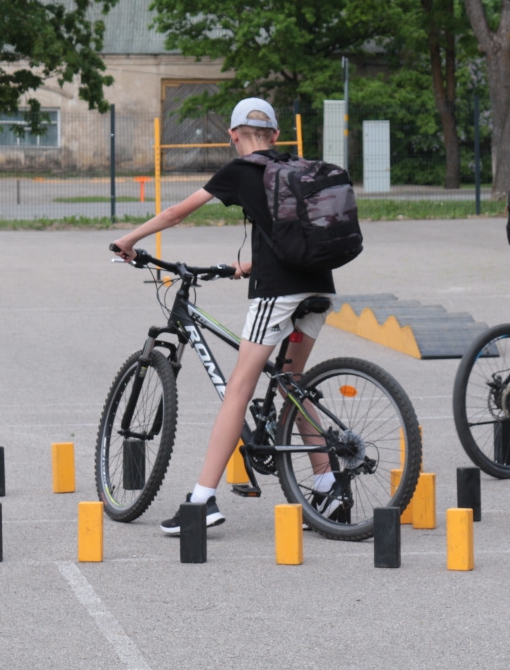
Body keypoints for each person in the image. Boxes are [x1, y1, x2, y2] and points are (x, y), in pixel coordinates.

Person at [110, 97, 341, 534]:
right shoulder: (296, 168)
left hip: (279, 292)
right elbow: (292, 235)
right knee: (294, 384)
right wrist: (245, 266)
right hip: (319, 286)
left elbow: (176, 212)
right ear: (275, 134)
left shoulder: (243, 170)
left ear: (233, 135)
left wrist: (128, 240)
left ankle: (201, 501)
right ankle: (329, 486)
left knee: (238, 388)